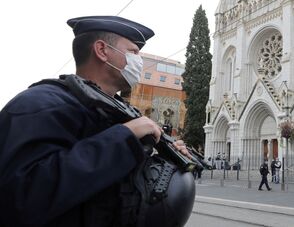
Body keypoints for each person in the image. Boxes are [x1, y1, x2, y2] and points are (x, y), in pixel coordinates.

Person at [0, 15, 196, 226]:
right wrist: (124, 138)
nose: (139, 61)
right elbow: (20, 198)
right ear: (102, 51)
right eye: (133, 52)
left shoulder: (124, 113)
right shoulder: (40, 104)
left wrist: (168, 159)